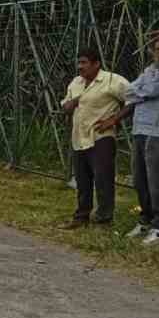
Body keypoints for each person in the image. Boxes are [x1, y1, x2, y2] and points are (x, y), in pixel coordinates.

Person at [102, 34, 159, 246]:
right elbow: (129, 91)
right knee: (140, 178)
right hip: (140, 128)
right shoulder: (149, 70)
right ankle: (145, 220)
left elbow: (153, 89)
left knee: (158, 180)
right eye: (158, 49)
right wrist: (142, 92)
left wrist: (141, 91)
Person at [58, 48, 129, 230]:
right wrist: (72, 103)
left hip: (101, 136)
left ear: (96, 64)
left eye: (84, 63)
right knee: (82, 180)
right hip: (79, 137)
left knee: (103, 179)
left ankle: (104, 219)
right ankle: (81, 216)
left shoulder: (112, 80)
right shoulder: (76, 82)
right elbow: (65, 106)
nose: (80, 67)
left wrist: (114, 119)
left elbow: (133, 99)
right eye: (79, 63)